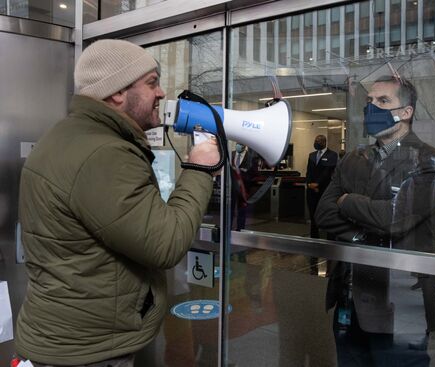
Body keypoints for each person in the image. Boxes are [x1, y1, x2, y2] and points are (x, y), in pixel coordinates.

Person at [15, 39, 220, 366]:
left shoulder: (68, 137)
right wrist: (199, 169)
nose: (161, 93)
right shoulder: (105, 154)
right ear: (117, 93)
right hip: (88, 352)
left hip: (67, 337)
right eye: (152, 83)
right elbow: (165, 244)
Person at [315, 75, 435, 365]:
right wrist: (362, 234)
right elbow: (324, 212)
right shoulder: (352, 158)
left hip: (399, 305)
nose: (371, 107)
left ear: (406, 112)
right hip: (348, 301)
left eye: (383, 101)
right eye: (369, 102)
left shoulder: (430, 160)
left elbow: (395, 219)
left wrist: (347, 201)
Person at [305, 135, 338, 239]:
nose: (316, 142)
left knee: (327, 215)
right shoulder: (312, 155)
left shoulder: (332, 155)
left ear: (324, 142)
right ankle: (314, 239)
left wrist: (317, 183)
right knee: (313, 216)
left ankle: (330, 241)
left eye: (318, 141)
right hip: (311, 191)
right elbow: (308, 171)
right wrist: (309, 183)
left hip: (325, 191)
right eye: (315, 140)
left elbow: (327, 172)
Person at [230, 143, 259, 231]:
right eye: (237, 144)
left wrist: (244, 173)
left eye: (240, 144)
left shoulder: (251, 157)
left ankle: (240, 229)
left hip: (244, 187)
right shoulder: (231, 154)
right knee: (229, 208)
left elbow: (255, 173)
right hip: (231, 186)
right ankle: (228, 227)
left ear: (244, 146)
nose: (238, 146)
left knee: (241, 209)